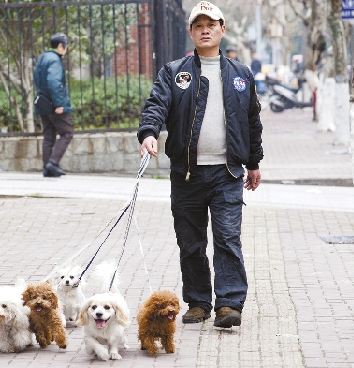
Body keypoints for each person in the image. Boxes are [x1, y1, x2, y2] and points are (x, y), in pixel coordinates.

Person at [138, 1, 263, 328]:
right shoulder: (174, 72)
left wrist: (254, 163)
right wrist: (149, 133)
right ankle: (198, 301)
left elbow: (252, 121)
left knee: (227, 239)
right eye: (199, 25)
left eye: (212, 24)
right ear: (191, 32)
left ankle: (229, 304)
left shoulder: (241, 74)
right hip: (187, 175)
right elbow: (156, 106)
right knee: (191, 244)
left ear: (222, 29)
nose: (205, 29)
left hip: (228, 173)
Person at [33, 33, 74, 178]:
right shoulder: (55, 60)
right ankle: (53, 163)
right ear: (61, 46)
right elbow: (54, 82)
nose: (66, 49)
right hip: (54, 104)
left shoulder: (43, 57)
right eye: (66, 46)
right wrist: (58, 104)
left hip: (43, 102)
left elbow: (36, 78)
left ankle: (47, 168)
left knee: (48, 136)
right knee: (67, 133)